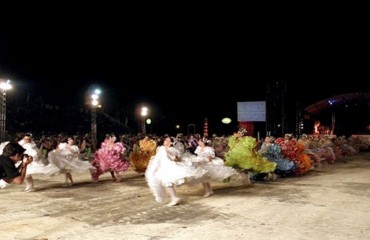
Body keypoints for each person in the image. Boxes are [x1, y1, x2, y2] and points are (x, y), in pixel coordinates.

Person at [145, 136, 207, 206]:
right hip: (163, 168)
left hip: (171, 167)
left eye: (167, 140)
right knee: (166, 182)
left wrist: (170, 156)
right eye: (165, 140)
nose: (165, 141)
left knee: (167, 181)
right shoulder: (161, 148)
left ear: (171, 142)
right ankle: (174, 198)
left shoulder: (172, 149)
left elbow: (177, 159)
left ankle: (174, 198)